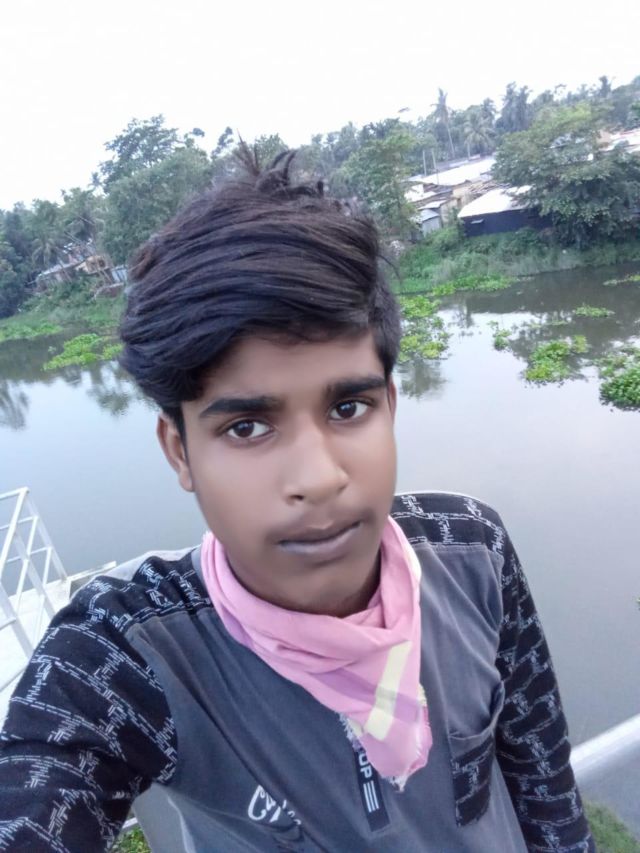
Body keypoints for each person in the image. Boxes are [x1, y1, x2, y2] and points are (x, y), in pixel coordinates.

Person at [0, 151, 593, 852]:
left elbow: (548, 795)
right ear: (179, 451)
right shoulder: (129, 656)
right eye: (247, 427)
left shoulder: (472, 551)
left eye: (348, 407)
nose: (318, 478)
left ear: (390, 405)